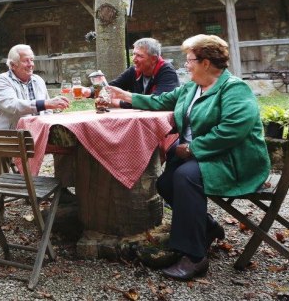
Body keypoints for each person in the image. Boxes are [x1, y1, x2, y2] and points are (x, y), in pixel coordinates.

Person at [107, 35, 269, 281]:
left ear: (206, 63)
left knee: (185, 177)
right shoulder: (192, 87)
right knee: (164, 183)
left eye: (190, 60)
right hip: (206, 156)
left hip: (233, 160)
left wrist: (194, 148)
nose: (186, 65)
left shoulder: (234, 88)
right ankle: (207, 226)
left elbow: (234, 128)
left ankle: (194, 256)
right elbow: (161, 100)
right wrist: (125, 97)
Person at [0, 44, 70, 179]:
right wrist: (44, 104)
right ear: (13, 65)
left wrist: (51, 116)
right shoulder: (3, 80)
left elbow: (47, 111)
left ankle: (62, 190)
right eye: (26, 60)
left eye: (32, 60)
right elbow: (12, 105)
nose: (31, 64)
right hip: (9, 136)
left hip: (37, 135)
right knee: (1, 148)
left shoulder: (38, 80)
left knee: (66, 144)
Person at [84, 37, 179, 107]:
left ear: (154, 59)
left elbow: (157, 103)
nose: (134, 59)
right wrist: (89, 91)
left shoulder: (167, 72)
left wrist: (118, 102)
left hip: (164, 126)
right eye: (133, 54)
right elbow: (113, 86)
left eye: (140, 56)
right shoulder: (134, 70)